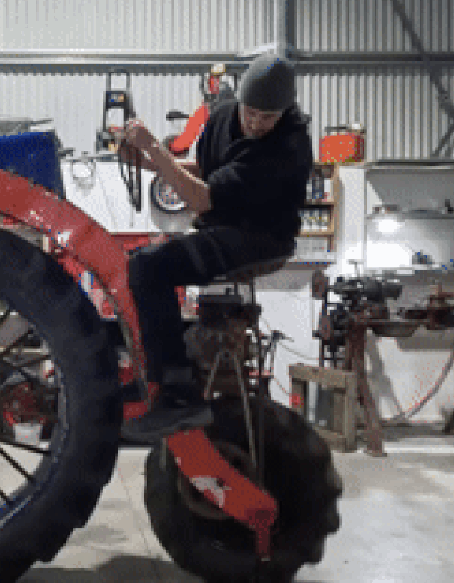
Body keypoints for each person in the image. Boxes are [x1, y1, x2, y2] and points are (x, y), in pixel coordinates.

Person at [117, 51, 314, 444]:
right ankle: (157, 376)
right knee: (140, 263)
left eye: (268, 117)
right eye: (252, 112)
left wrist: (156, 151)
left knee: (151, 268)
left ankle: (176, 393)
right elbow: (206, 174)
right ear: (240, 100)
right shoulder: (224, 116)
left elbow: (203, 199)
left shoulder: (289, 147)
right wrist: (144, 161)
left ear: (285, 111)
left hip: (261, 237)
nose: (257, 123)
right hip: (226, 225)